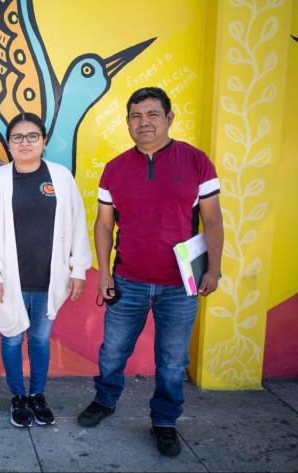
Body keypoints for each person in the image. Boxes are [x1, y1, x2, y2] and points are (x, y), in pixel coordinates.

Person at [77, 87, 224, 457]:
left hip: (180, 285)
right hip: (128, 280)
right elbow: (103, 225)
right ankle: (105, 400)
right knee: (112, 352)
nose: (144, 123)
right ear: (127, 122)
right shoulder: (115, 169)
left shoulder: (197, 162)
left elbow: (212, 220)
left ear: (169, 118)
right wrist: (106, 275)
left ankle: (164, 421)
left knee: (173, 362)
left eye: (153, 114)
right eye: (136, 116)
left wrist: (215, 269)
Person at [0, 113, 92, 428]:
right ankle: (18, 397)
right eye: (17, 137)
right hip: (10, 280)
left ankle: (37, 395)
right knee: (12, 338)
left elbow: (78, 223)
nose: (25, 143)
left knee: (40, 339)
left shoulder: (60, 177)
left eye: (32, 136)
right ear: (9, 143)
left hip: (48, 279)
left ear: (44, 141)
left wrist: (78, 268)